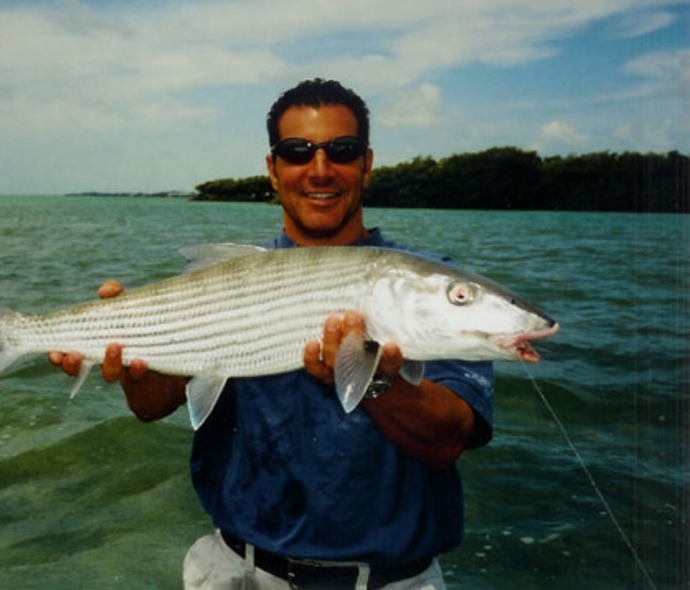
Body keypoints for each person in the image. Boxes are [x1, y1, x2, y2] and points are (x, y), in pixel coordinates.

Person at [49, 78, 493, 589]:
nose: (320, 170)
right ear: (273, 168)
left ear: (366, 163)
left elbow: (449, 439)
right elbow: (151, 405)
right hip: (239, 571)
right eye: (297, 152)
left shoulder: (430, 284)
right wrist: (129, 357)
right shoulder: (221, 280)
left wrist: (373, 380)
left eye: (341, 151)